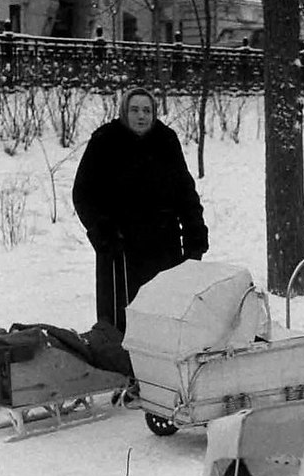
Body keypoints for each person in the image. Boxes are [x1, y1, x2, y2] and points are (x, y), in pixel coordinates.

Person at [73, 86, 209, 335]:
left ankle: (159, 369)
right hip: (120, 250)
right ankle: (119, 366)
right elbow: (83, 194)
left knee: (163, 315)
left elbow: (185, 193)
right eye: (135, 110)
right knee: (121, 320)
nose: (141, 116)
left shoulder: (166, 141)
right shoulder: (105, 141)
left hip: (163, 246)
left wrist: (195, 237)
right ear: (124, 111)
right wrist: (103, 232)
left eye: (147, 110)